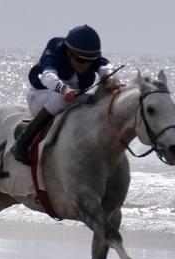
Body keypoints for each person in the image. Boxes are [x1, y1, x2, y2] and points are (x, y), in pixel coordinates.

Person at [12, 24, 115, 164]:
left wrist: (113, 80)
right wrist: (63, 89)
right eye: (80, 60)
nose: (85, 65)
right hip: (41, 96)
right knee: (62, 98)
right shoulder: (55, 48)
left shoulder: (87, 56)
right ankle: (22, 142)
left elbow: (105, 67)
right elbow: (48, 75)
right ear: (69, 52)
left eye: (90, 61)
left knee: (96, 100)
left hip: (71, 98)